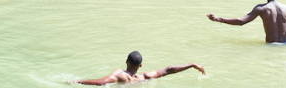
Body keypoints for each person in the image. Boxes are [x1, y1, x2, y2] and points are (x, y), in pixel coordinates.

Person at [72, 51, 205, 85]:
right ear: (140, 66)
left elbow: (101, 82)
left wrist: (77, 81)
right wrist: (192, 64)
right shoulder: (145, 77)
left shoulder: (121, 75)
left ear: (126, 61)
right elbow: (169, 70)